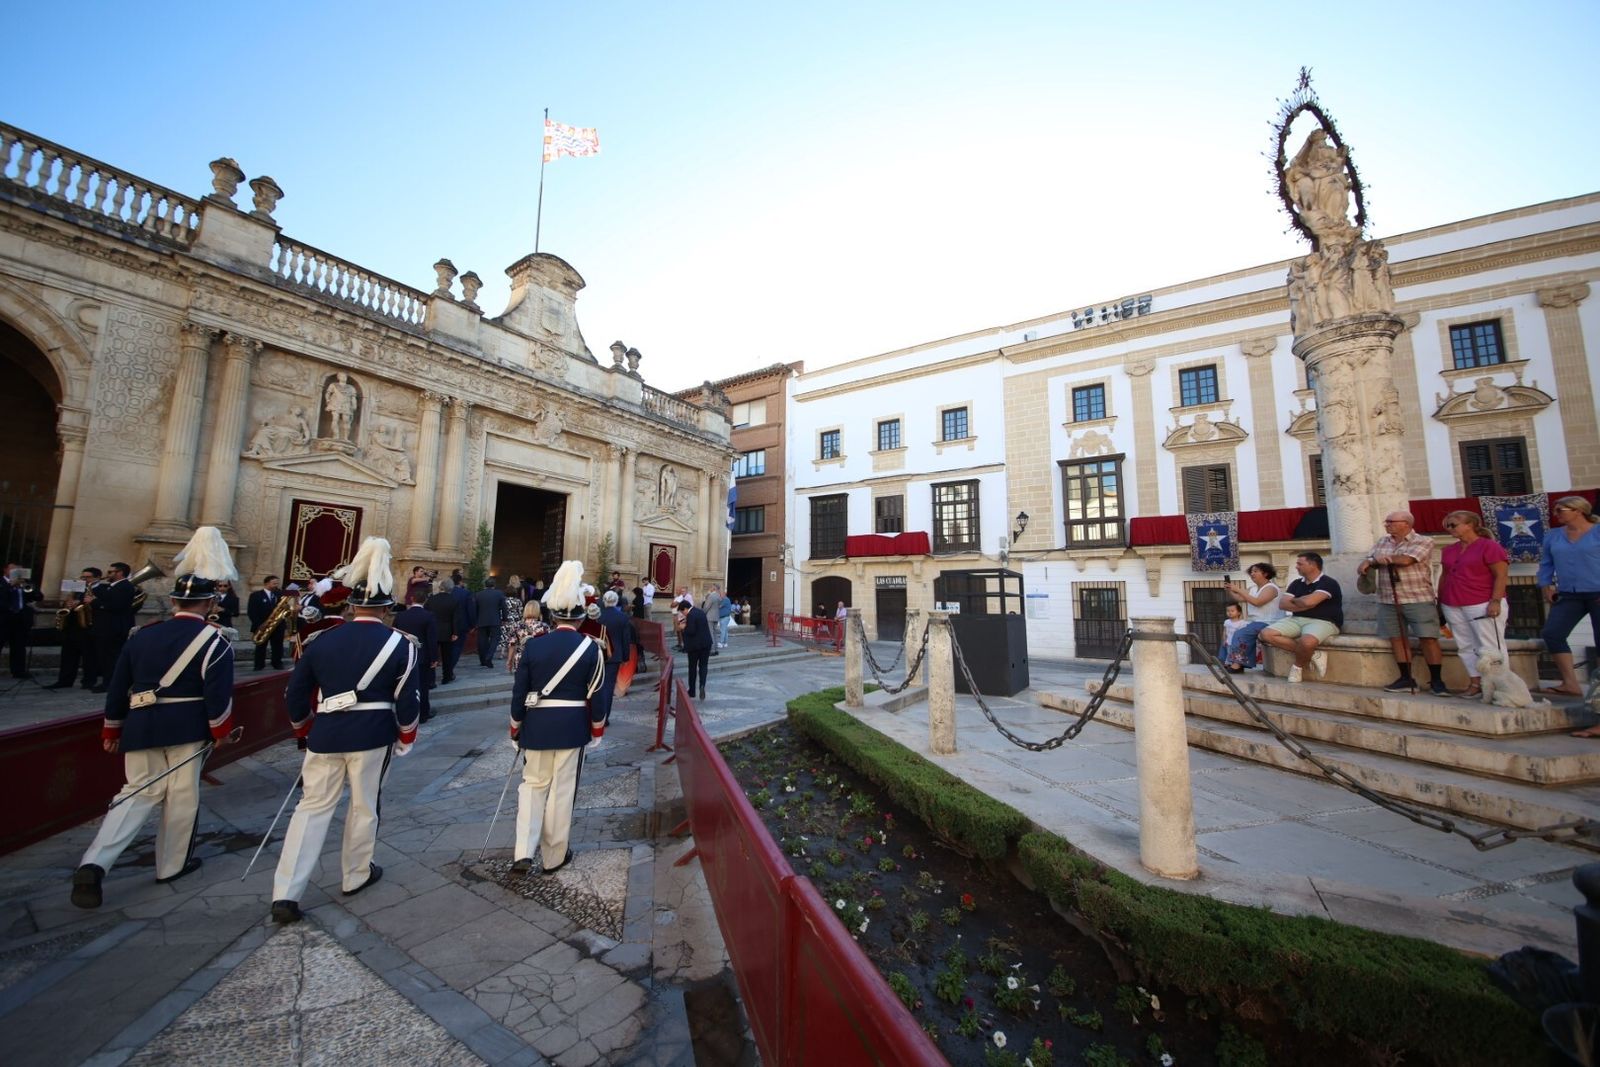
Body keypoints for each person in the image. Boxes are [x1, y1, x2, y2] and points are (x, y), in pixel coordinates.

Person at [71, 528, 239, 909]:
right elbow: (218, 695)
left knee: (134, 793)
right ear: (211, 602)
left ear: (176, 600)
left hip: (141, 723)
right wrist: (221, 731)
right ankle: (171, 864)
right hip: (186, 726)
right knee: (181, 795)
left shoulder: (141, 636)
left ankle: (95, 863)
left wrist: (112, 726)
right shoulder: (215, 641)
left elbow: (118, 686)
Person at [271, 537, 420, 924]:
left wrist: (302, 729)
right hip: (372, 733)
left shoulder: (321, 641)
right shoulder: (401, 645)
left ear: (351, 606)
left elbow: (296, 692)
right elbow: (408, 699)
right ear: (388, 608)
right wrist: (406, 735)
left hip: (325, 733)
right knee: (364, 805)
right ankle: (356, 874)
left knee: (310, 808)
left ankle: (286, 891)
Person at [508, 560, 604, 876]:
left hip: (536, 726)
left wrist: (516, 725)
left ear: (553, 614)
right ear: (580, 617)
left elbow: (519, 691)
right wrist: (597, 728)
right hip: (572, 726)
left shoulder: (534, 646)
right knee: (561, 791)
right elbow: (597, 693)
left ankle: (523, 851)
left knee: (531, 786)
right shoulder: (591, 649)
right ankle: (553, 856)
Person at [1358, 510, 1448, 695]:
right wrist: (1368, 562)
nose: (1387, 524)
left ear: (1406, 524)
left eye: (1391, 521)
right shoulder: (1383, 541)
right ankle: (1406, 678)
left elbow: (1407, 560)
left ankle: (1437, 680)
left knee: (1428, 638)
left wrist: (1380, 560)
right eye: (1387, 521)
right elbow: (1370, 557)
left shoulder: (1423, 541)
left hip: (1417, 597)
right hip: (1387, 598)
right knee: (1397, 638)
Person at [1437, 511, 1509, 699]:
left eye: (1454, 525)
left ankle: (1499, 686)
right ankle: (1476, 682)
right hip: (1453, 602)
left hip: (1481, 601)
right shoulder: (1449, 550)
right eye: (1448, 526)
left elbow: (1500, 575)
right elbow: (1445, 576)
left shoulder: (1489, 547)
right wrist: (1439, 600)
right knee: (1465, 645)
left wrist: (1495, 600)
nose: (1450, 529)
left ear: (1470, 525)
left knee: (1490, 645)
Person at [1539, 496, 1600, 704]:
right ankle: (1570, 683)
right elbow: (1546, 563)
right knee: (1553, 633)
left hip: (1597, 591)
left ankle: (1598, 691)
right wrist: (1546, 585)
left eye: (1560, 510)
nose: (1556, 514)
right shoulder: (1554, 536)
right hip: (1569, 593)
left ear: (1578, 511)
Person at [1259, 552, 1343, 684]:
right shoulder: (1297, 583)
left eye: (1300, 564)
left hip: (1324, 621)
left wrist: (1298, 602)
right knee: (1266, 634)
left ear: (1313, 565)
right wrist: (1304, 603)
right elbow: (1283, 604)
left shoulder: (1328, 583)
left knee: (1307, 642)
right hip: (1296, 619)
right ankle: (1313, 654)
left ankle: (1297, 668)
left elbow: (1309, 602)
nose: (1296, 567)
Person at [86, 562, 138, 694]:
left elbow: (116, 606)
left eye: (110, 572)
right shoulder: (111, 586)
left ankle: (109, 684)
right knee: (105, 657)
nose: (107, 574)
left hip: (114, 628)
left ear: (120, 573)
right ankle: (106, 681)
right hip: (106, 627)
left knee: (111, 658)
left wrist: (94, 602)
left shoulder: (125, 587)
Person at [1223, 563, 1284, 672]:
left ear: (1265, 573)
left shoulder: (1271, 588)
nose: (1252, 573)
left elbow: (1258, 602)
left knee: (1241, 634)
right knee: (1234, 634)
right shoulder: (1253, 588)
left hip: (1269, 622)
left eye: (1256, 571)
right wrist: (1229, 589)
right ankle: (1233, 662)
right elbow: (1238, 598)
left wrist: (1238, 589)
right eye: (1251, 571)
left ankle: (1237, 665)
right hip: (1255, 622)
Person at [47, 566, 101, 689]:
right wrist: (67, 603)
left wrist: (82, 602)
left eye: (88, 577)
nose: (85, 579)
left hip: (88, 627)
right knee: (68, 655)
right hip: (72, 625)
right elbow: (67, 603)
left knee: (89, 656)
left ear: (97, 578)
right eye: (83, 577)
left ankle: (88, 682)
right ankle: (65, 680)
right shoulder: (77, 589)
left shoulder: (101, 590)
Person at [392, 595, 440, 723]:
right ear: (425, 600)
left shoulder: (401, 615)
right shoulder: (428, 616)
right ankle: (423, 713)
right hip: (422, 656)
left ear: (412, 599)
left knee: (404, 686)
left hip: (403, 654)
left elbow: (395, 634)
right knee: (423, 686)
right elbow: (432, 639)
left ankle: (405, 713)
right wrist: (434, 658)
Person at [595, 590, 634, 736]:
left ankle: (595, 715)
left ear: (604, 600)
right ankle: (605, 717)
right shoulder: (622, 618)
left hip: (597, 654)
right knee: (608, 686)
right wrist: (625, 657)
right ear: (616, 601)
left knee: (595, 685)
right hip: (614, 656)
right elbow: (625, 639)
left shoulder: (597, 616)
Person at [2, 563, 41, 679]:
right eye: (13, 569)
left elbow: (38, 597)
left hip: (20, 619)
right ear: (5, 570)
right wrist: (10, 586)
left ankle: (18, 671)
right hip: (3, 618)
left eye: (19, 570)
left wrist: (26, 586)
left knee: (19, 646)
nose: (16, 572)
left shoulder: (24, 584)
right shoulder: (2, 583)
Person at [248, 574, 288, 671]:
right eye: (274, 583)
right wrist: (259, 624)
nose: (276, 585)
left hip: (277, 625)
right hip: (262, 625)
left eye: (277, 583)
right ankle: (259, 665)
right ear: (266, 583)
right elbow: (251, 612)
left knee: (278, 646)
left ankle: (277, 663)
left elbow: (284, 609)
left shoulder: (279, 595)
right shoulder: (255, 595)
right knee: (261, 646)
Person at [677, 598, 714, 700]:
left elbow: (691, 631)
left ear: (685, 609)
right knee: (703, 665)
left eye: (682, 611)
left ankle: (692, 690)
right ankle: (702, 685)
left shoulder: (691, 615)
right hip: (706, 644)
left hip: (695, 647)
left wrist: (683, 628)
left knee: (692, 668)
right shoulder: (700, 612)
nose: (683, 614)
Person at [424, 578, 458, 683]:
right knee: (447, 656)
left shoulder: (432, 599)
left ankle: (430, 679)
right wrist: (455, 632)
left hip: (432, 630)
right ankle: (446, 677)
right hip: (447, 631)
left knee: (431, 655)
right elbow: (456, 618)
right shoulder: (454, 600)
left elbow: (426, 615)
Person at [504, 600, 549, 673]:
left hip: (521, 658)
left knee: (521, 682)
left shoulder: (516, 626)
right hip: (538, 658)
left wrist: (509, 660)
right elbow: (547, 645)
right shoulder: (544, 626)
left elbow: (512, 644)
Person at [474, 577, 507, 668]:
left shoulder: (478, 594)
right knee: (495, 639)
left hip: (481, 620)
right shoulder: (499, 593)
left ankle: (483, 660)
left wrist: (475, 621)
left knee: (482, 641)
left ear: (485, 585)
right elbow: (504, 607)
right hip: (494, 620)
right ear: (494, 585)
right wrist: (505, 619)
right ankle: (489, 657)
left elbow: (475, 609)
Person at [448, 572, 475, 676]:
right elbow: (470, 610)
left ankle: (447, 669)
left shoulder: (447, 592)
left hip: (446, 624)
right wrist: (473, 625)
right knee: (457, 647)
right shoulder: (465, 593)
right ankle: (449, 669)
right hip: (461, 625)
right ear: (460, 581)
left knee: (448, 647)